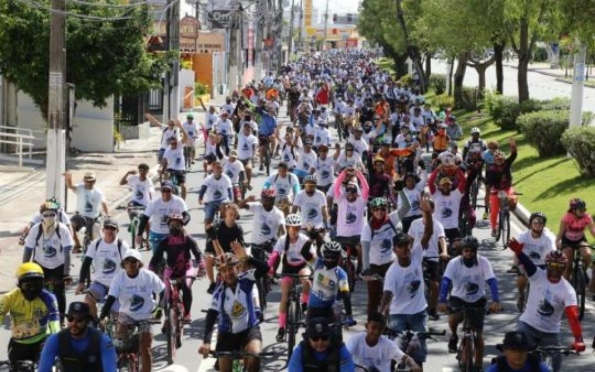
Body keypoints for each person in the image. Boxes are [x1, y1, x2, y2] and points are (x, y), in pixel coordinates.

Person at [507, 242, 586, 372]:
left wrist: (578, 339)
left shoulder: (568, 290)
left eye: (559, 267)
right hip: (528, 325)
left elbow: (572, 315)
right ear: (547, 266)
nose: (555, 270)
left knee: (556, 365)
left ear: (564, 268)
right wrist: (519, 253)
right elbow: (529, 265)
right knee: (514, 352)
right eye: (552, 266)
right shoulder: (538, 275)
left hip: (550, 333)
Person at [378, 207, 433, 370]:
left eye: (407, 245)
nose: (405, 249)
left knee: (418, 357)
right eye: (401, 246)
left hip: (419, 313)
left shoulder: (416, 255)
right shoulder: (392, 272)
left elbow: (428, 233)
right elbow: (387, 297)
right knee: (396, 353)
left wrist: (428, 214)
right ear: (394, 249)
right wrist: (381, 317)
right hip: (398, 315)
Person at [198, 246, 268, 372]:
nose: (228, 273)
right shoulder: (219, 293)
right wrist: (206, 342)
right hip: (227, 335)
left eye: (230, 268)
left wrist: (247, 258)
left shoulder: (246, 280)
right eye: (223, 271)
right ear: (220, 274)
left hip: (249, 330)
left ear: (237, 267)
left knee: (255, 355)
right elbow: (211, 316)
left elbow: (265, 268)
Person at [438, 236, 502, 371]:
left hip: (477, 300)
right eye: (466, 250)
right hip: (458, 298)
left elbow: (491, 281)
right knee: (454, 317)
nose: (469, 253)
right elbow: (445, 281)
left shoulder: (484, 262)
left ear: (476, 251)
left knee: (478, 336)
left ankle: (478, 366)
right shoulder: (454, 263)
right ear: (462, 251)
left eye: (472, 251)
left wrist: (495, 300)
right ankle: (454, 335)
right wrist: (442, 300)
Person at [99, 250, 165, 372]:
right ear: (123, 263)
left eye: (134, 261)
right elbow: (111, 298)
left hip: (146, 316)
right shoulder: (118, 278)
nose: (130, 264)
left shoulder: (148, 276)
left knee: (146, 349)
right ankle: (123, 363)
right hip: (126, 315)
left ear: (139, 263)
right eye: (127, 261)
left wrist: (159, 309)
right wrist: (102, 316)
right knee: (119, 345)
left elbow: (162, 291)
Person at [23, 199, 74, 323]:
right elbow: (28, 250)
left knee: (59, 292)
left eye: (52, 214)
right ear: (41, 216)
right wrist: (24, 269)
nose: (49, 217)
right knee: (33, 290)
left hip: (58, 265)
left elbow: (67, 252)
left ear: (57, 215)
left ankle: (61, 319)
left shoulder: (62, 229)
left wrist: (66, 272)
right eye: (46, 215)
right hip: (40, 265)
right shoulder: (36, 229)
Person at [149, 214, 206, 322]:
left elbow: (198, 254)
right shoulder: (165, 241)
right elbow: (156, 257)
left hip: (187, 269)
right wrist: (150, 270)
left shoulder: (188, 239)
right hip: (170, 270)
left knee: (186, 287)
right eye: (172, 225)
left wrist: (202, 267)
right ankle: (167, 318)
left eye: (177, 225)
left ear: (182, 226)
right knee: (166, 293)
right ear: (168, 226)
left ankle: (187, 314)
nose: (174, 227)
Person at [0, 263, 60, 365]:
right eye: (27, 285)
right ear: (19, 285)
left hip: (42, 342)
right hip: (18, 345)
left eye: (37, 285)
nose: (32, 289)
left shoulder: (49, 298)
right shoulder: (8, 298)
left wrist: (58, 347)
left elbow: (55, 325)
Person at [361, 195, 411, 317]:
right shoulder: (368, 228)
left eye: (383, 209)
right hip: (374, 265)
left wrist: (400, 190)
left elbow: (407, 207)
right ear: (372, 211)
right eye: (376, 209)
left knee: (389, 296)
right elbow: (365, 250)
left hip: (390, 263)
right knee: (373, 298)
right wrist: (367, 270)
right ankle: (371, 323)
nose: (380, 212)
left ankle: (390, 323)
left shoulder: (391, 219)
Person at [268, 214, 315, 341]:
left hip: (301, 266)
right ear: (287, 228)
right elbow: (275, 255)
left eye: (297, 228)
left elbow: (313, 257)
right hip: (288, 268)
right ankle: (281, 328)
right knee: (284, 297)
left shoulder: (304, 239)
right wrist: (269, 268)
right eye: (292, 228)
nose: (294, 231)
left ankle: (305, 304)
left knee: (307, 281)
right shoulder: (283, 240)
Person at [38, 302, 117, 372]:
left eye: (79, 320)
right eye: (70, 319)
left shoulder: (103, 341)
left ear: (87, 321)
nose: (74, 323)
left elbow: (110, 369)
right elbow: (43, 369)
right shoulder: (54, 340)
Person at [76, 218, 129, 321]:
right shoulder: (96, 244)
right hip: (100, 283)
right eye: (107, 228)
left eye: (112, 228)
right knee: (88, 300)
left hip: (117, 285)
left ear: (117, 230)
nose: (109, 231)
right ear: (103, 230)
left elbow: (130, 265)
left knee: (119, 316)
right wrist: (81, 282)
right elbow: (86, 263)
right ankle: (97, 322)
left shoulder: (122, 245)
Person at [346, 312, 422, 372]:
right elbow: (345, 356)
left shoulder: (387, 344)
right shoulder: (356, 339)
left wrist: (414, 365)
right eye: (374, 327)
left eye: (380, 329)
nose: (376, 332)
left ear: (384, 330)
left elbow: (405, 358)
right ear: (367, 326)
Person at [512, 212, 556, 312]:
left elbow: (553, 253)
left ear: (543, 225)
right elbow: (516, 252)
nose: (537, 225)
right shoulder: (523, 236)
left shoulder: (548, 238)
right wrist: (515, 265)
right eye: (535, 222)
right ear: (531, 223)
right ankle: (521, 295)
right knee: (522, 276)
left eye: (540, 223)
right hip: (525, 262)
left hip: (542, 264)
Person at [306, 241, 355, 326]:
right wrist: (311, 238)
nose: (330, 259)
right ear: (323, 255)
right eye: (327, 256)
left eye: (333, 256)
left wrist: (349, 314)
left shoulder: (341, 273)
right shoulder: (318, 263)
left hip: (329, 309)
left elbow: (345, 294)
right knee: (309, 336)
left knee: (334, 336)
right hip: (313, 308)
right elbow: (304, 252)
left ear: (339, 256)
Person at [136, 181, 190, 252]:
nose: (166, 193)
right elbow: (145, 218)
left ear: (172, 191)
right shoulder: (154, 202)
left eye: (168, 191)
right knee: (157, 259)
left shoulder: (178, 201)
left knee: (173, 258)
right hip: (157, 234)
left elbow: (187, 216)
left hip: (173, 233)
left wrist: (181, 224)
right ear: (161, 191)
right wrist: (139, 234)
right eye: (163, 190)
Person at [205, 203, 246, 294]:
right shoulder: (217, 224)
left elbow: (242, 246)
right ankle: (212, 283)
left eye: (235, 215)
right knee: (208, 258)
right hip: (215, 252)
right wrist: (209, 228)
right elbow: (209, 234)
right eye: (231, 214)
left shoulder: (238, 228)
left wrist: (239, 251)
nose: (232, 217)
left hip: (230, 255)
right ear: (226, 213)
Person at [287, 317, 355, 372]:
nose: (320, 342)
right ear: (308, 339)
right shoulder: (300, 351)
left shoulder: (340, 349)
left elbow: (348, 368)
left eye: (324, 338)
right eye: (315, 338)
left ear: (330, 338)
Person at [64, 171, 109, 253]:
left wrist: (108, 214)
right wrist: (68, 178)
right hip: (80, 216)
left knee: (91, 238)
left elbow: (103, 203)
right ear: (84, 181)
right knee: (70, 226)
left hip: (91, 217)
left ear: (94, 182)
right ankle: (77, 244)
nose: (88, 183)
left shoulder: (97, 192)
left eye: (91, 181)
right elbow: (70, 186)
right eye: (87, 181)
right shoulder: (80, 188)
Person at [555, 198, 595, 283]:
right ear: (573, 210)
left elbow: (593, 231)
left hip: (580, 239)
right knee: (568, 267)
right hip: (567, 241)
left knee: (588, 254)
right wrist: (557, 242)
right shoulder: (566, 218)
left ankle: (582, 272)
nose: (583, 212)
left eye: (584, 209)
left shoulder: (587, 217)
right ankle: (565, 288)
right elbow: (560, 232)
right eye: (581, 210)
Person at [485, 138, 517, 237]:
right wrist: (488, 194)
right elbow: (489, 183)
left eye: (501, 159)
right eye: (497, 160)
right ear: (494, 160)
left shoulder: (507, 164)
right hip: (496, 189)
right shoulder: (490, 169)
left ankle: (506, 212)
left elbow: (514, 155)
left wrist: (512, 146)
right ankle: (494, 228)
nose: (499, 161)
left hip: (507, 187)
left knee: (512, 199)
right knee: (494, 210)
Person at [198, 161, 233, 227]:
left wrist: (231, 200)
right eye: (217, 168)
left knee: (223, 206)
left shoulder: (226, 178)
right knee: (207, 222)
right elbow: (203, 189)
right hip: (211, 202)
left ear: (222, 169)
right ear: (213, 169)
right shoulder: (208, 178)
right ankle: (209, 235)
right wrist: (200, 199)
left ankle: (223, 223)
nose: (219, 170)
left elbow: (230, 191)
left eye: (220, 168)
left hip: (223, 200)